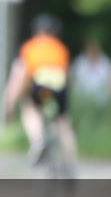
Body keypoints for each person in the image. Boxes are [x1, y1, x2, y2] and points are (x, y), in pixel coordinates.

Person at [4, 14, 76, 168]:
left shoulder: (30, 47)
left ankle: (38, 142)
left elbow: (21, 76)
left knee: (30, 109)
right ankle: (70, 162)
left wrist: (11, 101)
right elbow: (68, 75)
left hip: (41, 87)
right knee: (63, 122)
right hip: (60, 88)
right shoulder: (60, 48)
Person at [70, 38, 111, 106]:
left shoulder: (105, 62)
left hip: (101, 101)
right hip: (82, 101)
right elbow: (72, 79)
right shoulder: (80, 62)